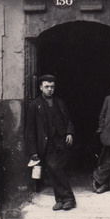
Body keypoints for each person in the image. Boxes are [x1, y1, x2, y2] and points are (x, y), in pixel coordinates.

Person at [24, 75, 76, 210]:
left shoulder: (60, 103)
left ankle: (60, 199)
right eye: (46, 87)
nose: (49, 89)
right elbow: (30, 130)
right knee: (54, 168)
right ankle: (68, 198)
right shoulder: (35, 106)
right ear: (41, 87)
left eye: (52, 87)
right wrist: (33, 151)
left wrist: (70, 132)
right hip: (46, 144)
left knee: (56, 170)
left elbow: (69, 120)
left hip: (61, 142)